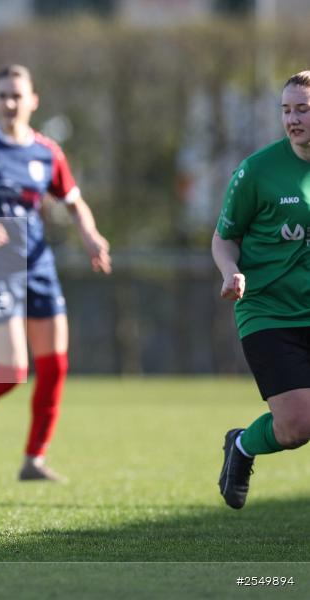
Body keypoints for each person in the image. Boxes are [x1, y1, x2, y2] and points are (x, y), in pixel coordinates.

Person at [0, 65, 111, 481]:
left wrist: (90, 235)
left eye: (17, 95)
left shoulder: (47, 152)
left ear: (33, 100)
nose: (10, 103)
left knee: (54, 365)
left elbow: (74, 202)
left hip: (38, 265)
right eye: (2, 95)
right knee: (14, 369)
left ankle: (34, 460)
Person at [214, 70, 310, 510]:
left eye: (303, 109)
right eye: (287, 109)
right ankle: (243, 446)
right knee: (295, 427)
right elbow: (223, 237)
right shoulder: (257, 171)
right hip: (268, 310)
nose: (293, 119)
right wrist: (230, 270)